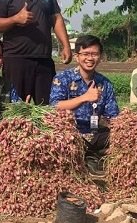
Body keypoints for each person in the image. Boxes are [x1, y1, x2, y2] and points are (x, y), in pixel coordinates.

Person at [50, 35, 119, 173]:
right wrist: (84, 97)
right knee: (57, 140)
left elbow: (113, 117)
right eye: (85, 54)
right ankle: (85, 159)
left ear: (100, 57)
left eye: (94, 54)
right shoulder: (63, 78)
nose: (90, 58)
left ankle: (91, 158)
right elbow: (54, 107)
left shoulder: (104, 83)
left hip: (94, 134)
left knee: (120, 136)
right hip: (69, 134)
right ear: (77, 56)